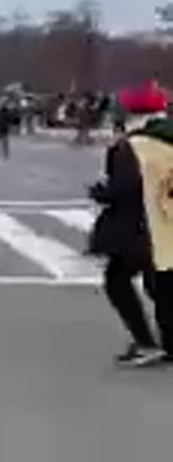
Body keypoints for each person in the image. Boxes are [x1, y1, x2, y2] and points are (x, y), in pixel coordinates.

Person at [87, 81, 173, 367]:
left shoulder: (132, 146)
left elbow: (124, 187)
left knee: (117, 280)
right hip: (167, 221)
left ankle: (147, 342)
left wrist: (101, 193)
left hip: (139, 226)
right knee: (160, 284)